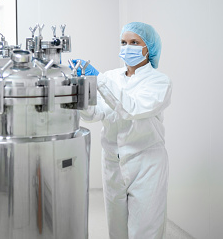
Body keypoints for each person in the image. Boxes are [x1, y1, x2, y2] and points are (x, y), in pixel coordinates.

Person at [73, 22, 172, 239]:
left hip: (146, 163)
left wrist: (99, 80)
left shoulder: (159, 81)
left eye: (134, 42)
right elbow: (94, 114)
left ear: (149, 48)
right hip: (112, 163)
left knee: (146, 230)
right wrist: (78, 89)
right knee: (117, 230)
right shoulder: (112, 77)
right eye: (123, 42)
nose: (127, 47)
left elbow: (131, 108)